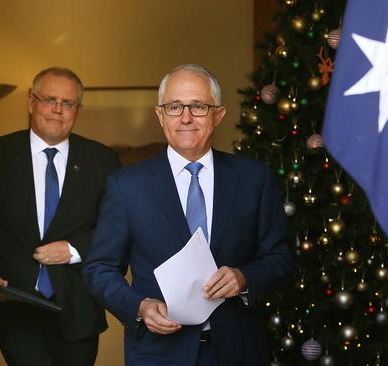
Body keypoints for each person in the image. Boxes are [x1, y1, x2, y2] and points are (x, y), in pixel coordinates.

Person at [83, 64, 294, 366]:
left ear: (218, 115)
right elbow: (99, 268)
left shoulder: (253, 179)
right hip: (158, 355)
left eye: (198, 106)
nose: (185, 117)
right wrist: (139, 306)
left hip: (238, 351)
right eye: (174, 107)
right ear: (160, 115)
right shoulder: (127, 186)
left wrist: (244, 277)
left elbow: (281, 258)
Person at [0, 67, 120, 366]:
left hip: (78, 310)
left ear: (78, 110)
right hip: (13, 306)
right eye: (49, 99)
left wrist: (74, 250)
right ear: (31, 102)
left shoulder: (102, 160)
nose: (57, 110)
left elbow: (117, 230)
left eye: (68, 103)